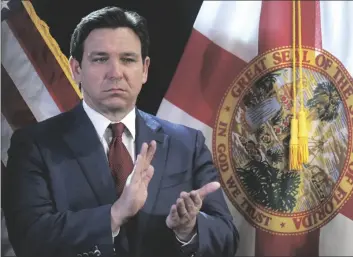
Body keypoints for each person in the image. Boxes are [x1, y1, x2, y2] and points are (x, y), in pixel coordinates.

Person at [2, 6, 239, 257]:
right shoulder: (34, 145)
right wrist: (114, 215)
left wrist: (189, 229)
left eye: (127, 59)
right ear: (76, 69)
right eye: (100, 59)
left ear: (145, 69)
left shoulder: (187, 143)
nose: (116, 73)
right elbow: (29, 239)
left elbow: (227, 238)